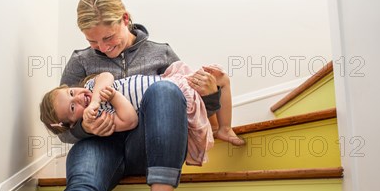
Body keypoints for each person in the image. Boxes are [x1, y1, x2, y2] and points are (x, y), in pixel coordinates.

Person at [34, 0, 233, 191]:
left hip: (149, 145)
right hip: (101, 148)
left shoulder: (161, 52)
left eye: (109, 37)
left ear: (126, 19)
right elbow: (65, 120)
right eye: (92, 41)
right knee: (83, 184)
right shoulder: (80, 62)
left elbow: (192, 110)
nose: (102, 47)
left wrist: (212, 94)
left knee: (166, 90)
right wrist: (88, 127)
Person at [40, 61, 245, 166]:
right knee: (209, 91)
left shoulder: (93, 88)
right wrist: (112, 99)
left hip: (173, 82)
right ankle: (219, 128)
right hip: (171, 100)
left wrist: (96, 98)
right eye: (73, 108)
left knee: (220, 77)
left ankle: (225, 128)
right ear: (72, 122)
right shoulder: (102, 120)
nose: (78, 98)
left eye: (72, 93)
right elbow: (130, 120)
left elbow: (106, 75)